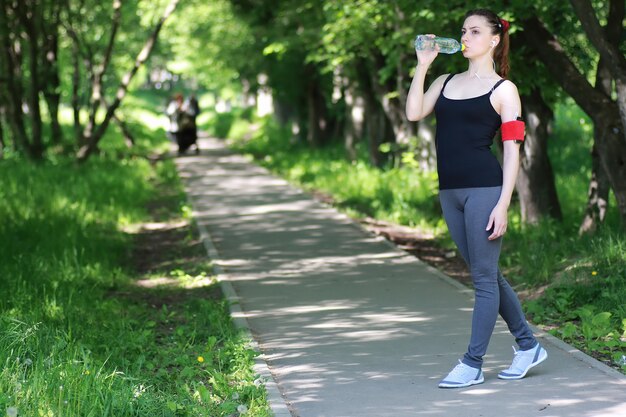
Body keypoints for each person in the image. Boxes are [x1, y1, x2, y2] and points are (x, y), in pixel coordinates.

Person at [405, 9, 547, 388]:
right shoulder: (445, 80)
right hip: (449, 192)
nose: (465, 37)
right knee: (486, 274)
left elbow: (513, 150)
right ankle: (528, 344)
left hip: (485, 190)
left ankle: (472, 362)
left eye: (475, 31)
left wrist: (503, 203)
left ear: (494, 39)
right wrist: (423, 66)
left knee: (483, 278)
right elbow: (414, 111)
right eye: (463, 30)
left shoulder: (504, 90)